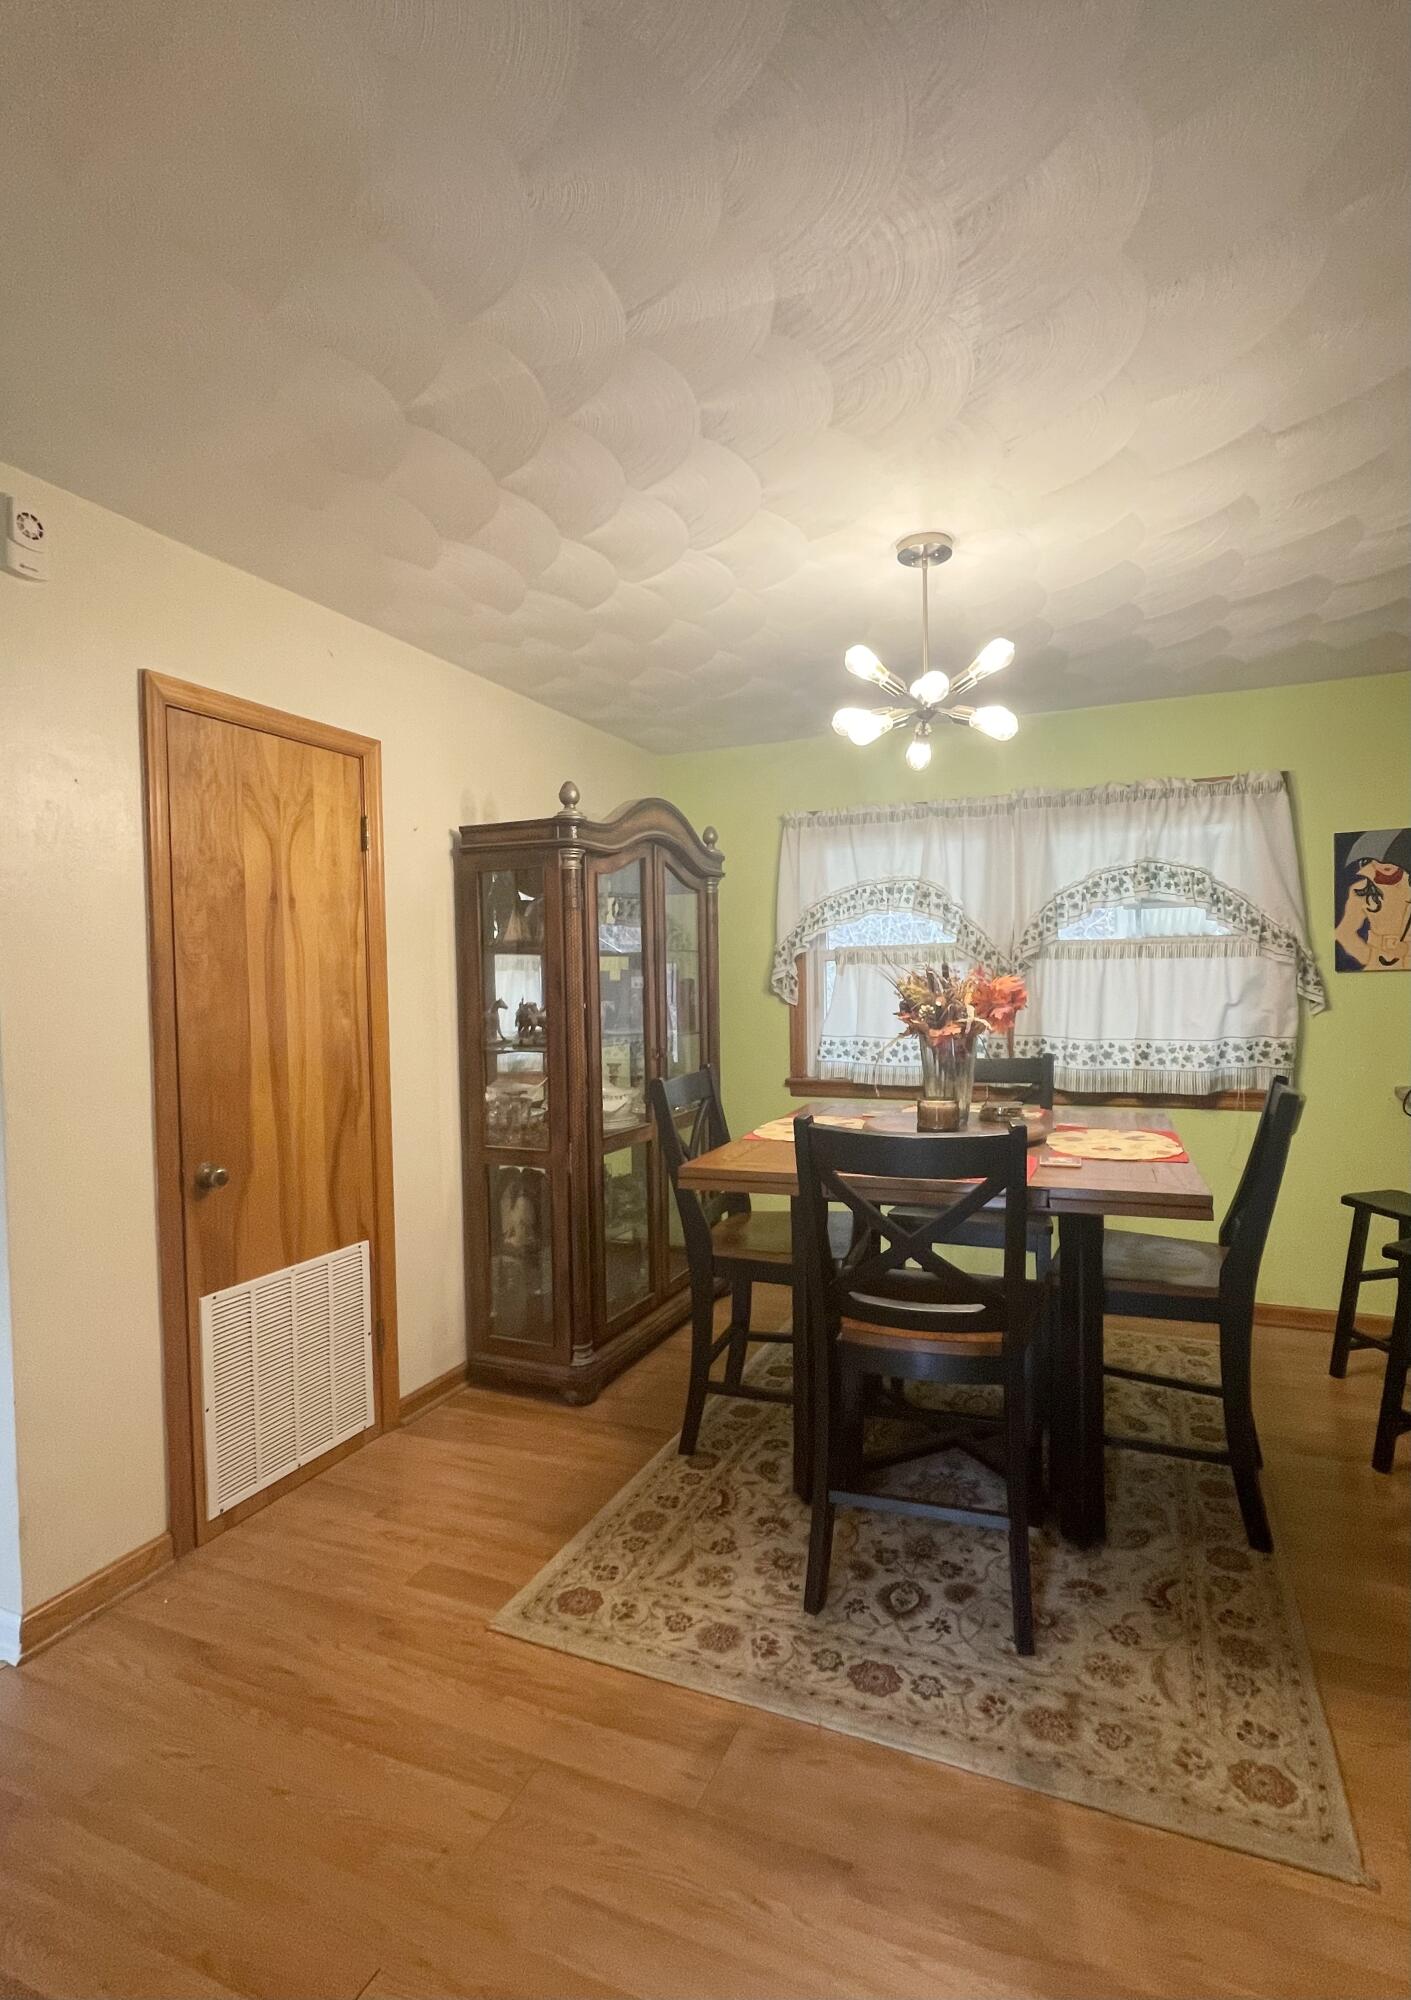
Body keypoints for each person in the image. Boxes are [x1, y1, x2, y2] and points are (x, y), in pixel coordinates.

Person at [1335, 829, 1411, 971]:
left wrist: (1405, 949)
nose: (1383, 863)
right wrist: (1369, 955)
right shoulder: (1362, 890)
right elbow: (1344, 932)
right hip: (1379, 962)